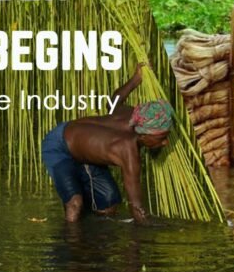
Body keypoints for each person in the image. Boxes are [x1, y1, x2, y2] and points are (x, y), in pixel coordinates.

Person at [41, 64, 173, 224]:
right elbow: (136, 207)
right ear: (144, 134)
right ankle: (72, 244)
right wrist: (151, 228)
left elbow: (113, 102)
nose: (165, 143)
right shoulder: (127, 150)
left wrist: (135, 80)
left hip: (85, 151)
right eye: (162, 137)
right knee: (75, 204)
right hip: (59, 145)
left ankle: (93, 238)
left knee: (108, 205)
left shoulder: (134, 116)